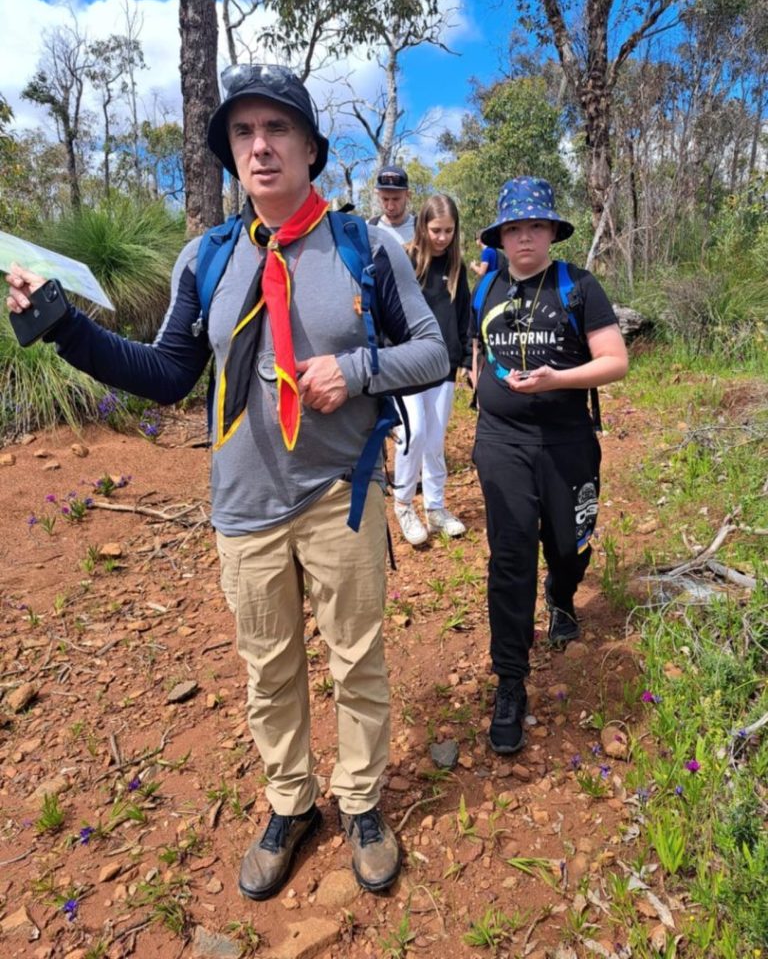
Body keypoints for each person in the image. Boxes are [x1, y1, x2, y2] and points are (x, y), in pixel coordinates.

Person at [5, 63, 449, 900]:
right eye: (243, 133)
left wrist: (357, 371)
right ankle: (291, 803)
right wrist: (65, 327)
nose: (260, 145)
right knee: (267, 667)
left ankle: (359, 802)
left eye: (277, 128)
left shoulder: (366, 247)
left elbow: (434, 353)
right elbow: (168, 372)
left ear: (311, 147)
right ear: (230, 154)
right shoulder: (205, 258)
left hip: (337, 493)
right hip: (243, 506)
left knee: (357, 659)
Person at [470, 176, 628, 755]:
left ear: (552, 231)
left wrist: (557, 379)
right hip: (502, 442)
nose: (524, 238)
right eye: (514, 228)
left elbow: (615, 361)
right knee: (510, 557)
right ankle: (511, 682)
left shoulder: (579, 287)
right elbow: (476, 351)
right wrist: (484, 387)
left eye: (535, 226)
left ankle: (561, 596)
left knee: (569, 544)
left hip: (566, 440)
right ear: (502, 237)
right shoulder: (485, 287)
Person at [393, 194, 471, 546]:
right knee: (414, 435)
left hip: (444, 365)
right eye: (436, 230)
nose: (442, 238)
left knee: (435, 439)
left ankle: (436, 508)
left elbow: (464, 315)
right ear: (422, 225)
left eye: (448, 231)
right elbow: (388, 311)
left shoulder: (456, 268)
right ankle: (404, 505)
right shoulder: (404, 260)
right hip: (409, 364)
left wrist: (467, 358)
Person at [368, 165, 416, 245]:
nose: (390, 207)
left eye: (396, 199)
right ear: (378, 195)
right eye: (385, 199)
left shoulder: (421, 228)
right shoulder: (369, 228)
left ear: (408, 195)